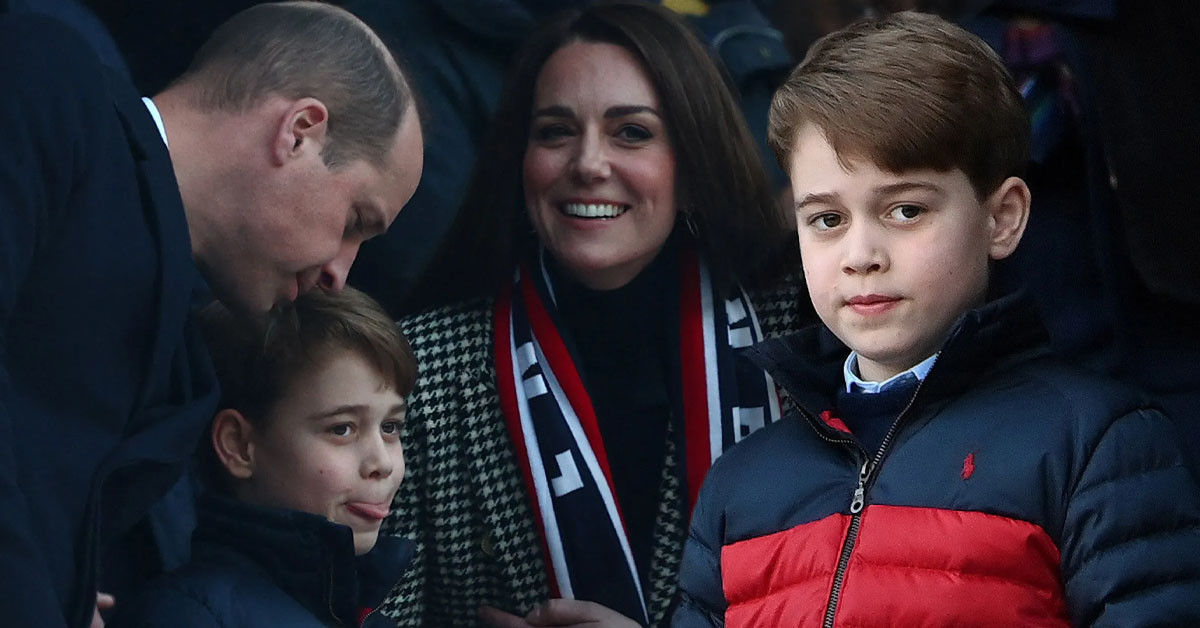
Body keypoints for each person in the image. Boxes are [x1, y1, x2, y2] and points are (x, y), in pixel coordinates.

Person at [673, 11, 1200, 627]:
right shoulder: (742, 484)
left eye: (904, 210)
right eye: (827, 220)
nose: (862, 256)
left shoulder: (1096, 444)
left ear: (1001, 218)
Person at [376, 2, 811, 626]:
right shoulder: (420, 371)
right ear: (519, 162)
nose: (587, 163)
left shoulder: (803, 340)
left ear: (691, 165)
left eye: (631, 132)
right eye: (554, 131)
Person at [0, 2, 423, 627]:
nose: (341, 271)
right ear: (300, 131)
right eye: (355, 222)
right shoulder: (42, 76)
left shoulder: (189, 329)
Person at [107, 287, 417, 628]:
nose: (383, 463)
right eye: (342, 429)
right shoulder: (188, 617)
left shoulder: (365, 615)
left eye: (390, 427)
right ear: (239, 445)